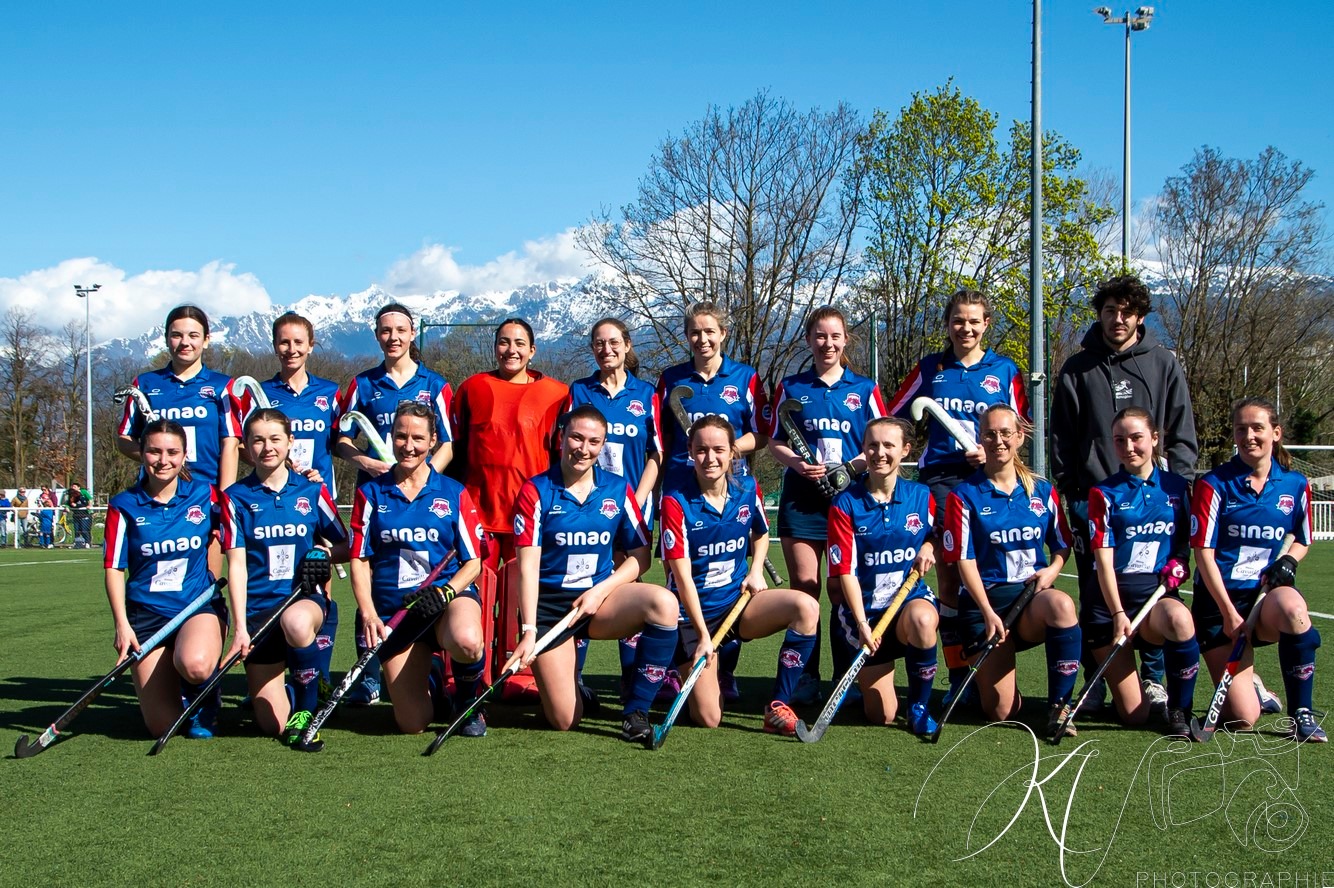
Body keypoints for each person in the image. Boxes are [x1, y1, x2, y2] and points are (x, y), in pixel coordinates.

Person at [1050, 274, 1206, 712]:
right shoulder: (1078, 368)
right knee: (1096, 590)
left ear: (1140, 316)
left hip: (1154, 499)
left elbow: (1181, 430)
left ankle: (1153, 677)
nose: (1117, 319)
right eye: (1109, 311)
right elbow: (1061, 435)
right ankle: (1096, 679)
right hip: (1095, 501)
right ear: (1099, 314)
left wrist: (1179, 486)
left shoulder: (1161, 362)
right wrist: (1073, 491)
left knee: (1156, 584)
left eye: (1126, 312)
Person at [886, 290, 1028, 706]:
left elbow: (1021, 427)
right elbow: (896, 412)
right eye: (958, 321)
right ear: (948, 324)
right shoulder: (932, 368)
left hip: (991, 478)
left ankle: (993, 663)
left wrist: (995, 451)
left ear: (986, 325)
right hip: (944, 480)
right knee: (950, 576)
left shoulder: (1004, 370)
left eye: (974, 321)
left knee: (989, 573)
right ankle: (956, 672)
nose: (965, 328)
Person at [508, 404, 679, 745]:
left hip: (601, 602)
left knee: (664, 603)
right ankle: (574, 692)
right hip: (552, 610)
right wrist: (528, 630)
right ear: (562, 438)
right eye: (576, 438)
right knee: (564, 720)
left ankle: (636, 712)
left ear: (603, 446)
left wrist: (603, 589)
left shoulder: (618, 490)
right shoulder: (535, 490)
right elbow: (527, 568)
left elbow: (640, 558)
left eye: (593, 441)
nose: (583, 449)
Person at [662, 415, 820, 736]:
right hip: (692, 618)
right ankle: (671, 662)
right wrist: (704, 636)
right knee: (709, 718)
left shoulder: (747, 488)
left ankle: (777, 706)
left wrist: (756, 568)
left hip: (737, 605)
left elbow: (760, 534)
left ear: (733, 452)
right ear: (690, 452)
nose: (710, 458)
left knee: (806, 608)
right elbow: (680, 578)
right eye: (702, 450)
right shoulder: (675, 501)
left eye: (719, 449)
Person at [335, 302, 454, 706]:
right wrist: (365, 460)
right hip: (378, 497)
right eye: (386, 331)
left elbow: (448, 444)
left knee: (423, 578)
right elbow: (342, 439)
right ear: (377, 335)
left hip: (420, 497)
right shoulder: (362, 385)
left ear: (411, 333)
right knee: (371, 579)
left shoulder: (435, 384)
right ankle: (367, 678)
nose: (394, 337)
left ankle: (429, 663)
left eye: (401, 330)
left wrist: (423, 482)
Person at [941, 404, 1082, 737]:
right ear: (980, 438)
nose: (998, 441)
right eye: (990, 434)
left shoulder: (1041, 490)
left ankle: (1060, 706)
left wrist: (1052, 570)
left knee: (1061, 604)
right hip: (985, 605)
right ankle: (980, 680)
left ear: (1020, 437)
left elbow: (1062, 544)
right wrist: (988, 612)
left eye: (1006, 433)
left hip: (1030, 601)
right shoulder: (964, 496)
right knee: (1003, 711)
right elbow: (964, 561)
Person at [769, 306, 886, 705]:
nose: (828, 343)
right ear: (809, 340)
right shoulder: (793, 387)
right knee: (806, 588)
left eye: (835, 336)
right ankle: (804, 676)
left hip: (847, 501)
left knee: (840, 588)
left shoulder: (864, 388)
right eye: (820, 336)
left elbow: (881, 440)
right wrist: (800, 464)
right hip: (802, 501)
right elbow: (774, 442)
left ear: (845, 340)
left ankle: (844, 674)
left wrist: (850, 469)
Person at [1190, 397, 1324, 742]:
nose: (1248, 436)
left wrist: (1289, 560)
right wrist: (1229, 614)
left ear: (1275, 433)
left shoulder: (1294, 485)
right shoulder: (1214, 484)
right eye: (1241, 429)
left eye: (1257, 428)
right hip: (1219, 607)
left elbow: (1303, 538)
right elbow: (1203, 554)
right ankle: (1254, 689)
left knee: (1294, 608)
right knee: (1242, 719)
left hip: (1263, 599)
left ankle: (1302, 714)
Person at [349, 402, 487, 736]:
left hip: (445, 601)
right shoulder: (370, 493)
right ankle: (434, 677)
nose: (408, 446)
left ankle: (468, 705)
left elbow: (473, 562)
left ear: (433, 440)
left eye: (417, 438)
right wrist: (368, 613)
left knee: (468, 641)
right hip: (396, 611)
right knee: (412, 723)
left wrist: (446, 592)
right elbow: (359, 558)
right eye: (400, 436)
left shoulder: (452, 492)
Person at [657, 302, 769, 701]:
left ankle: (724, 668)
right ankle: (677, 659)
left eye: (710, 332)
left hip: (731, 489)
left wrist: (723, 452)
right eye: (694, 333)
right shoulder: (670, 378)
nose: (702, 339)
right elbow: (660, 438)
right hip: (683, 495)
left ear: (723, 334)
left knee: (732, 578)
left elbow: (762, 434)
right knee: (685, 577)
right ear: (687, 337)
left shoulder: (745, 377)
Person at [220, 408, 349, 752]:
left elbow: (345, 545)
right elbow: (236, 565)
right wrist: (241, 628)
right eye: (258, 440)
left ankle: (307, 713)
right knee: (270, 724)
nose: (267, 447)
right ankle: (306, 686)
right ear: (246, 446)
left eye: (275, 439)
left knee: (294, 620)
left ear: (290, 442)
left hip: (303, 602)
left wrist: (322, 555)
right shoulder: (235, 497)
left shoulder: (311, 492)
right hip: (260, 611)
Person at [103, 420, 226, 739]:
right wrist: (122, 624)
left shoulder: (205, 494)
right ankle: (179, 689)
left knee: (196, 664)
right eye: (154, 451)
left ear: (185, 455)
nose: (163, 459)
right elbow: (114, 568)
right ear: (141, 453)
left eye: (173, 452)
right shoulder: (123, 505)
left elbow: (246, 529)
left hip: (195, 608)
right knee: (161, 726)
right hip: (147, 615)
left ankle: (205, 698)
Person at [564, 318, 664, 698]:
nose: (606, 350)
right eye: (599, 344)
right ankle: (572, 677)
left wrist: (636, 501)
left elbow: (657, 453)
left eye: (613, 342)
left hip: (633, 507)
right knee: (584, 583)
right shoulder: (580, 391)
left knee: (630, 587)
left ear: (626, 345)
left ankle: (630, 679)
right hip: (589, 510)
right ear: (592, 349)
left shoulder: (646, 394)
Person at [1085, 408, 1199, 738]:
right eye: (1120, 441)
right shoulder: (1104, 493)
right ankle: (1113, 687)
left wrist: (1179, 564)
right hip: (1109, 607)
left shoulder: (1178, 489)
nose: (1129, 447)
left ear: (1154, 439)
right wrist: (1118, 612)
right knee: (1135, 715)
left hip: (1155, 598)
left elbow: (1182, 546)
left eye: (1136, 438)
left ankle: (1180, 708)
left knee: (1180, 619)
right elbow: (1103, 562)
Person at [826, 417, 939, 734]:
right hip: (866, 615)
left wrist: (929, 546)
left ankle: (919, 706)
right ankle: (862, 685)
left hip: (906, 604)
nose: (880, 453)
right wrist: (862, 624)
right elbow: (845, 571)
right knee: (882, 715)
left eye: (889, 445)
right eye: (872, 445)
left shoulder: (920, 495)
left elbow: (937, 532)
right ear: (863, 449)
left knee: (923, 620)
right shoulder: (845, 504)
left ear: (904, 450)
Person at [116, 305, 241, 575]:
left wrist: (224, 498)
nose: (185, 342)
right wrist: (160, 460)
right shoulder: (145, 384)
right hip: (155, 497)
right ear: (166, 338)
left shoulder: (222, 386)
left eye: (193, 335)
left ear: (206, 340)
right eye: (177, 335)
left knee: (207, 587)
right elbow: (124, 438)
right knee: (153, 580)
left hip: (205, 496)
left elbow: (230, 444)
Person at [452, 318, 569, 570]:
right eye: (504, 343)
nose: (511, 350)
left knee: (524, 601)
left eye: (519, 343)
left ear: (532, 350)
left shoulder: (557, 394)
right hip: (481, 515)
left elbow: (564, 458)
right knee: (478, 598)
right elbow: (454, 450)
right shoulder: (472, 388)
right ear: (495, 347)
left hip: (532, 514)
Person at [70, 482, 92, 548]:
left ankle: (87, 542)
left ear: (78, 487)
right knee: (77, 530)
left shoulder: (83, 493)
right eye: (72, 487)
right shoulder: (72, 495)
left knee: (84, 530)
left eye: (75, 487)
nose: (73, 488)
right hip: (76, 515)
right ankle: (77, 543)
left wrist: (89, 505)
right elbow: (69, 503)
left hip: (84, 515)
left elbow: (89, 499)